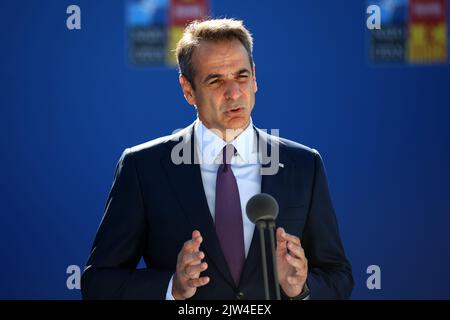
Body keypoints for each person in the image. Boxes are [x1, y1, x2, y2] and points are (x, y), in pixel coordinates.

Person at [81, 18, 353, 300]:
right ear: (188, 90)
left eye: (241, 76)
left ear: (255, 78)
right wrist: (172, 288)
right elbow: (99, 282)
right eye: (216, 80)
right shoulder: (143, 168)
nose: (234, 93)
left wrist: (301, 288)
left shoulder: (304, 166)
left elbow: (338, 276)